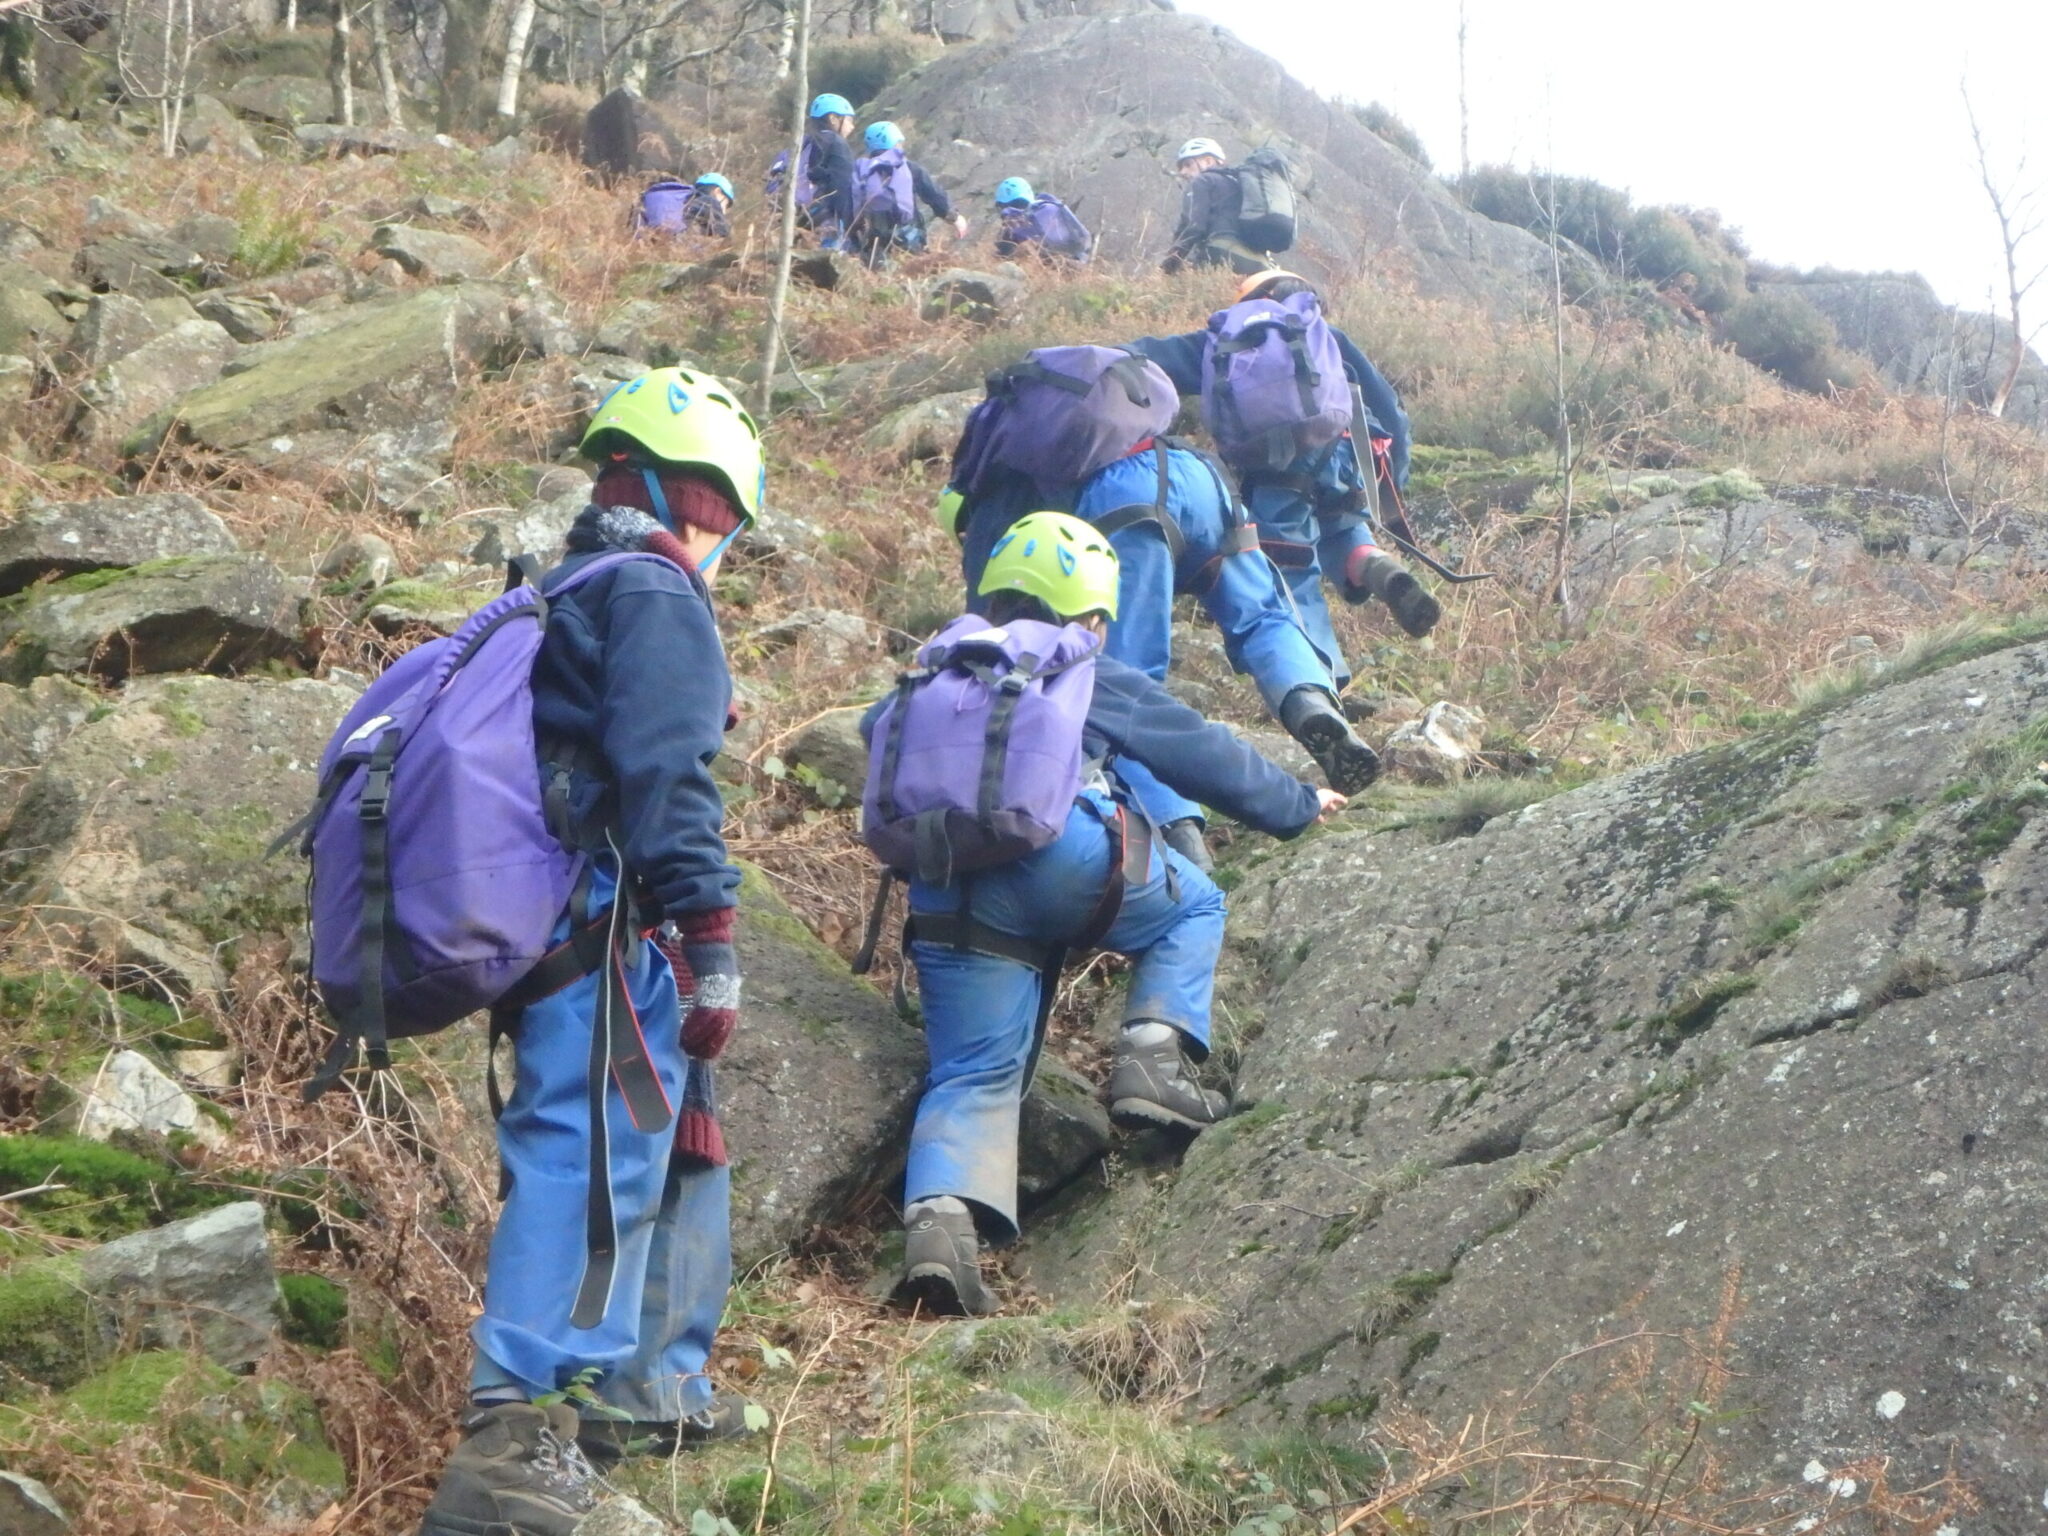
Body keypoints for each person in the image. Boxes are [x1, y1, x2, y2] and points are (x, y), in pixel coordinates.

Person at [416, 366, 765, 1536]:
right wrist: (708, 930)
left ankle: (565, 1422)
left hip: (539, 920)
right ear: (683, 499)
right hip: (600, 923)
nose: (714, 544)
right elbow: (669, 771)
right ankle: (515, 1445)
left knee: (573, 1147)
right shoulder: (655, 593)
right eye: (714, 518)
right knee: (593, 1159)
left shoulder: (565, 587)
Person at [869, 512, 1344, 1316]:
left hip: (948, 885)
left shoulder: (932, 670)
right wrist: (1298, 803)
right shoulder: (1084, 666)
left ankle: (940, 1236)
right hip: (1066, 863)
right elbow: (1201, 752)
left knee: (972, 1071)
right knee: (1195, 907)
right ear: (1092, 611)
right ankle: (1152, 1059)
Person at [1126, 269, 1440, 687]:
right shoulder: (1326, 337)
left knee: (1291, 573)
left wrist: (1092, 361)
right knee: (1343, 527)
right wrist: (1394, 475)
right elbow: (1389, 406)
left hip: (1280, 470)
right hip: (1348, 450)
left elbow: (1145, 357)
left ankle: (1324, 681)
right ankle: (1377, 567)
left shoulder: (1224, 342)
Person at [849, 120, 967, 265]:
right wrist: (955, 218)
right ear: (894, 142)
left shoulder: (861, 170)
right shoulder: (907, 167)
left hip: (873, 243)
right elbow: (934, 195)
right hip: (908, 240)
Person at [1162, 136, 1268, 276]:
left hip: (1221, 253)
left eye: (1188, 164)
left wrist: (1169, 266)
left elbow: (1193, 227)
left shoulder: (1202, 181)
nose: (1183, 172)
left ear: (1208, 161)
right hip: (1260, 264)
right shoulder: (1240, 183)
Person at [767, 92, 858, 248]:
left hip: (794, 217)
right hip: (825, 220)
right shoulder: (837, 144)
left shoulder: (801, 143)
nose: (852, 126)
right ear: (833, 119)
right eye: (848, 119)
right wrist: (849, 227)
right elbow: (842, 186)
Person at [992, 176, 1092, 263]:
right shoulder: (1048, 207)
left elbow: (1032, 241)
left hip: (1061, 263)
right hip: (1074, 260)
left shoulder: (1042, 212)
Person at [633, 172, 736, 240]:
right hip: (676, 247)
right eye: (725, 205)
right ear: (717, 192)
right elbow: (723, 237)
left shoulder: (650, 195)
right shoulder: (709, 201)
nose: (724, 212)